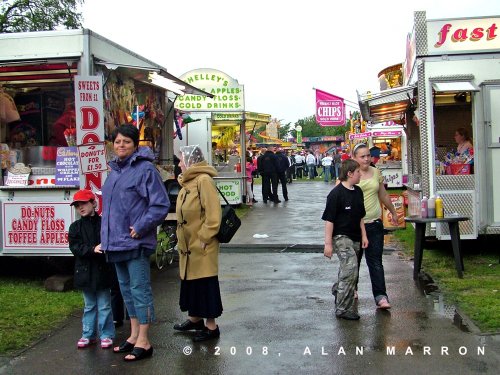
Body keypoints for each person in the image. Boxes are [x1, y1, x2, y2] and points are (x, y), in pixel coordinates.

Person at [101, 124, 170, 362]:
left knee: (140, 291)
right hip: (115, 244)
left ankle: (145, 340)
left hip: (136, 243)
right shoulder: (114, 172)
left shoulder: (145, 170)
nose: (121, 146)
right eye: (118, 142)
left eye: (126, 142)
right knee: (126, 292)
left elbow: (160, 204)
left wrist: (141, 227)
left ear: (135, 145)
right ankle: (133, 335)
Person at [173, 145, 223, 342]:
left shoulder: (203, 180)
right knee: (192, 282)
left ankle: (211, 327)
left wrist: (204, 237)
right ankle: (195, 318)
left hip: (201, 244)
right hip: (189, 245)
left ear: (190, 160)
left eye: (181, 160)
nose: (179, 164)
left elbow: (213, 214)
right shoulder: (189, 182)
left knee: (205, 283)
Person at [351, 143, 397, 310]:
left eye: (368, 155)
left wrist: (392, 211)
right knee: (353, 261)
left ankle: (380, 296)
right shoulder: (350, 174)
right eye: (362, 156)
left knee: (375, 262)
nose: (366, 159)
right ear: (354, 158)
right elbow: (339, 195)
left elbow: (383, 194)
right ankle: (352, 289)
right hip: (354, 226)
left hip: (374, 224)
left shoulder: (376, 172)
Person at [68, 189, 115, 349]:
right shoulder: (75, 227)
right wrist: (92, 249)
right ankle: (88, 334)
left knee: (104, 305)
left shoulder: (104, 223)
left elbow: (110, 241)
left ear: (93, 203)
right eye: (77, 205)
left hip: (103, 270)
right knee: (89, 305)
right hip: (85, 272)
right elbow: (75, 247)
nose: (80, 207)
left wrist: (102, 248)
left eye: (84, 203)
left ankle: (106, 334)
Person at [322, 159, 368, 320]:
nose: (360, 175)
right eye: (357, 172)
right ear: (349, 174)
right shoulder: (336, 194)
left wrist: (364, 236)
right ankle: (342, 309)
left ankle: (338, 289)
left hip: (356, 235)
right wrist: (328, 244)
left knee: (349, 271)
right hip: (341, 237)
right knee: (350, 268)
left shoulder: (358, 192)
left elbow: (361, 216)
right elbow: (329, 220)